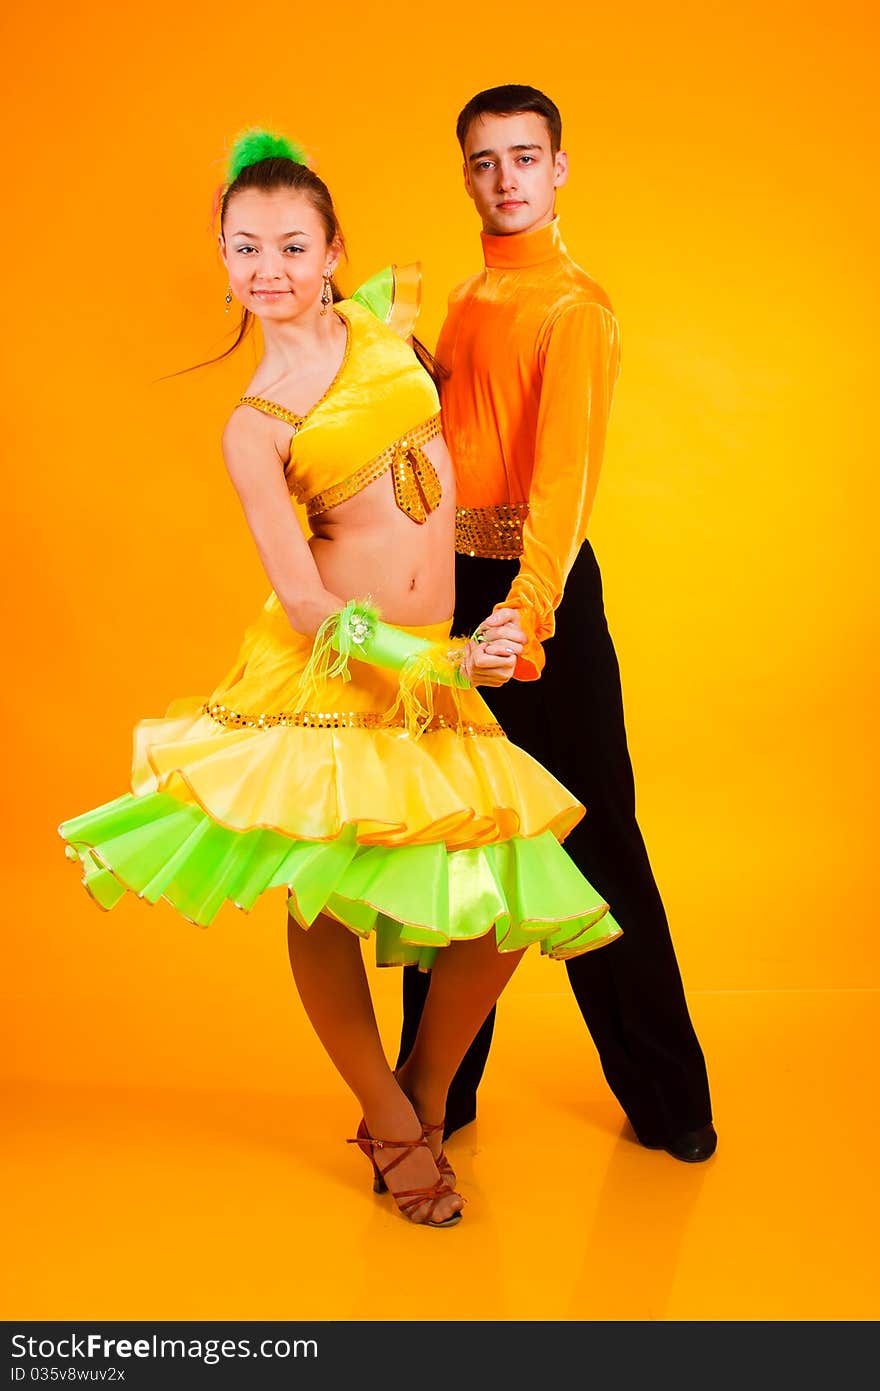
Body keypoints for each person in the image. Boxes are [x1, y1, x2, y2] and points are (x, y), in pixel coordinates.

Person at [59, 129, 623, 1229]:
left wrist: (521, 584)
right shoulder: (252, 425)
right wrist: (439, 655)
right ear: (221, 259)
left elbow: (483, 415)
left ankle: (408, 1101)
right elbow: (311, 601)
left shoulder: (385, 325)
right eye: (242, 247)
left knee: (501, 905)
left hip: (438, 666)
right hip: (340, 667)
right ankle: (390, 1113)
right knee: (322, 893)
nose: (265, 268)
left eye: (288, 244)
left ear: (331, 252)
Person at [398, 86, 717, 1163]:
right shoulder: (466, 293)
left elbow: (562, 486)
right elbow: (451, 443)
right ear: (466, 174)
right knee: (445, 840)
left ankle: (673, 1104)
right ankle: (427, 1099)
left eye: (524, 158)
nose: (504, 179)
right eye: (484, 162)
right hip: (449, 585)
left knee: (593, 845)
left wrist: (521, 618)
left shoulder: (575, 307)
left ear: (558, 168)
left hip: (535, 596)